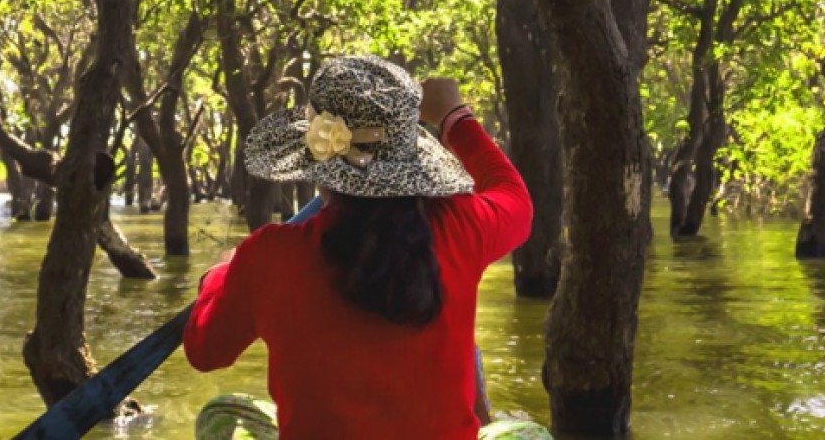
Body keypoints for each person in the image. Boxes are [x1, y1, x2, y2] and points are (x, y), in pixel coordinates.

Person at [183, 55, 551, 440]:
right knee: (525, 433)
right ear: (412, 157)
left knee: (221, 411)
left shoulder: (268, 255)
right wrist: (455, 117)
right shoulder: (461, 224)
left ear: (316, 161)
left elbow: (205, 350)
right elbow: (516, 201)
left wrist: (219, 275)